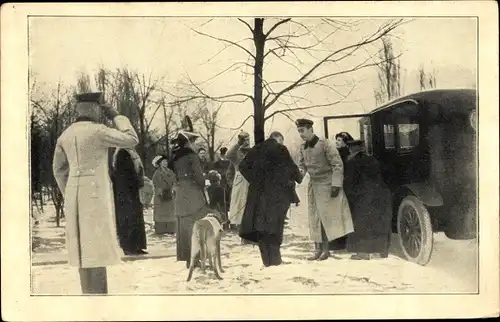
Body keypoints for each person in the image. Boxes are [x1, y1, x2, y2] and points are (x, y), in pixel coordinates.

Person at [52, 92, 139, 294]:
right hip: (95, 195)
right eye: (100, 110)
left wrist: (70, 193)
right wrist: (117, 116)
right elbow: (131, 139)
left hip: (74, 196)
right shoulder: (98, 131)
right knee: (97, 248)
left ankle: (88, 296)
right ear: (95, 109)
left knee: (82, 250)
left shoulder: (65, 134)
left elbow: (58, 170)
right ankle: (100, 299)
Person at [238, 131, 302, 267]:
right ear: (278, 138)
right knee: (275, 227)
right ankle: (276, 261)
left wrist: (254, 180)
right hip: (277, 195)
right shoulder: (280, 149)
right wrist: (299, 177)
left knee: (262, 228)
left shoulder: (256, 149)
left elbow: (242, 166)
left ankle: (266, 261)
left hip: (258, 195)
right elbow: (291, 168)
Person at [296, 118, 354, 261]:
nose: (301, 134)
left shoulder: (325, 144)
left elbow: (337, 164)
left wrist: (336, 184)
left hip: (327, 185)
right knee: (314, 218)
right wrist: (298, 176)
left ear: (310, 129)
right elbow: (302, 166)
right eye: (299, 131)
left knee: (326, 218)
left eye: (302, 131)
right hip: (313, 185)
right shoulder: (303, 147)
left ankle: (326, 250)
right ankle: (317, 249)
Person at [344, 139, 392, 260]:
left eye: (350, 148)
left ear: (352, 149)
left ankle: (362, 252)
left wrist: (348, 195)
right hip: (380, 194)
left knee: (361, 224)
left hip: (362, 196)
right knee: (379, 223)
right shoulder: (372, 159)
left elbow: (349, 182)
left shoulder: (352, 161)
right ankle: (382, 251)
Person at [168, 130, 210, 268]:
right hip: (192, 192)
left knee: (184, 226)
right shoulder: (192, 155)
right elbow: (199, 176)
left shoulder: (175, 156)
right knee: (197, 223)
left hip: (180, 192)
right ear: (189, 142)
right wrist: (203, 183)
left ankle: (187, 257)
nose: (195, 144)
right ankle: (197, 257)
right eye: (193, 141)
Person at [111, 147, 148, 255]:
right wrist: (137, 181)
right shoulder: (122, 152)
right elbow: (127, 174)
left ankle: (136, 246)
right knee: (128, 220)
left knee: (134, 219)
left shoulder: (130, 152)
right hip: (126, 192)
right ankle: (129, 246)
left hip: (131, 192)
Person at [328, 131, 354, 252]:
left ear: (345, 143)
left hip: (344, 186)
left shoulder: (344, 155)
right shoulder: (340, 153)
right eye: (336, 140)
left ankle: (340, 243)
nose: (336, 142)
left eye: (339, 140)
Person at [226, 131, 251, 231]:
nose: (247, 142)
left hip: (251, 181)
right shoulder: (237, 152)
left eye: (248, 139)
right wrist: (238, 144)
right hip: (240, 181)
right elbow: (228, 155)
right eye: (244, 139)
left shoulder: (253, 151)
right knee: (240, 206)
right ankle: (241, 229)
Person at [151, 155, 177, 234]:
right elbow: (155, 184)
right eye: (163, 162)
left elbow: (175, 181)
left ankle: (170, 229)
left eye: (166, 161)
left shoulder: (170, 172)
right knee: (160, 212)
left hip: (170, 194)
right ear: (159, 163)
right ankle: (160, 230)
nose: (165, 163)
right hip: (160, 195)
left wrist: (173, 189)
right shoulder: (157, 173)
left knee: (170, 212)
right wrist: (161, 192)